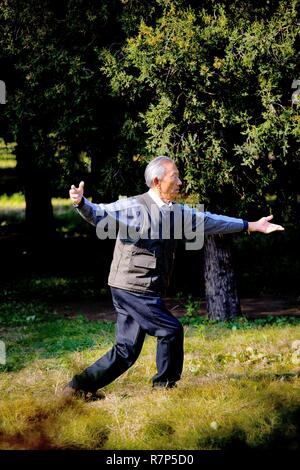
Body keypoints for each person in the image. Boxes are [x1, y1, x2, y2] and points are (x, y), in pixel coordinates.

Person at [63, 156, 284, 398]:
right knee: (171, 330)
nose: (180, 181)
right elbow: (99, 213)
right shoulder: (135, 207)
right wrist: (81, 202)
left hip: (141, 289)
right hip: (132, 287)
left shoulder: (176, 212)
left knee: (126, 351)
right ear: (157, 181)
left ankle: (76, 389)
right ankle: (164, 390)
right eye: (174, 176)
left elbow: (209, 221)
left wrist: (251, 225)